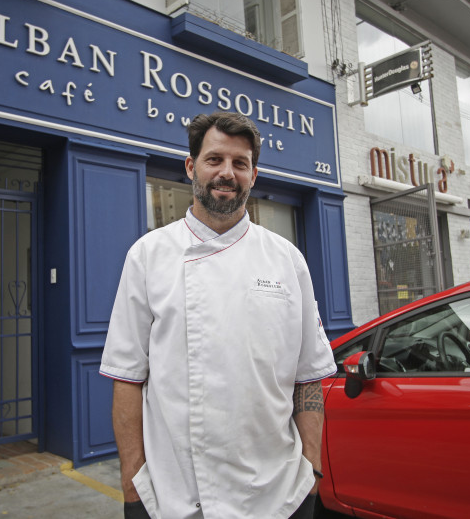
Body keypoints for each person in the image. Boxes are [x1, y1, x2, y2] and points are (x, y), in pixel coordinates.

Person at [100, 112, 337, 519]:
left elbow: (308, 376)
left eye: (239, 163)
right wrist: (132, 484)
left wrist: (311, 472)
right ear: (191, 167)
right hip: (175, 499)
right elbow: (127, 378)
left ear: (253, 175)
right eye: (214, 160)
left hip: (278, 496)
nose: (227, 173)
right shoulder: (148, 256)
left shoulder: (287, 260)